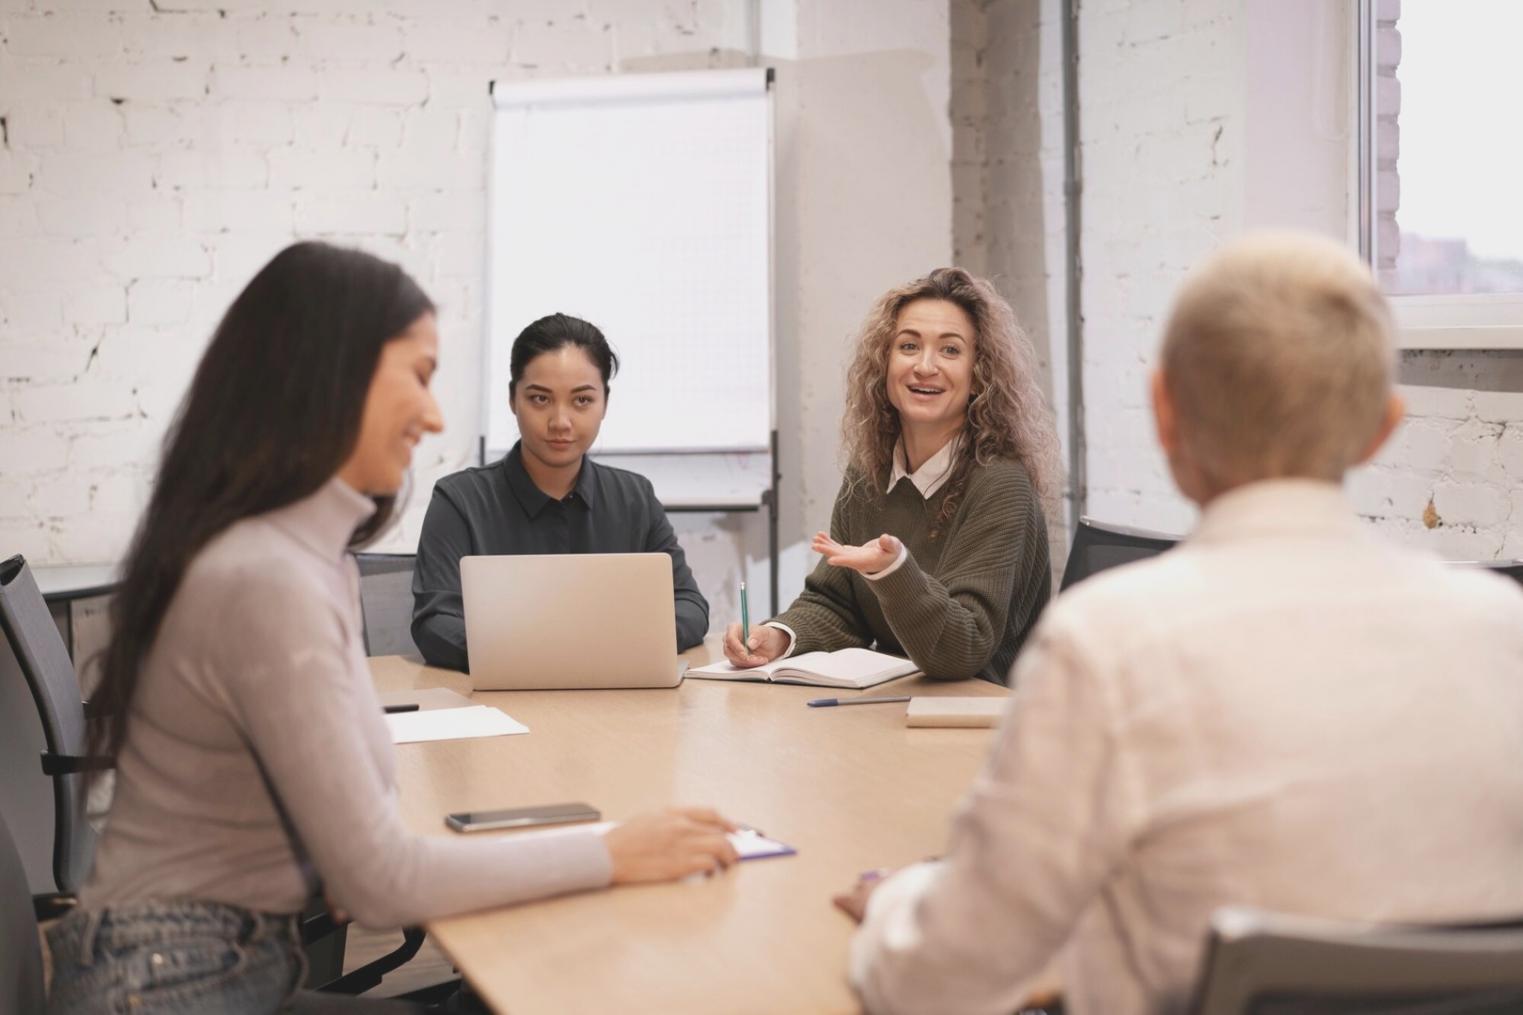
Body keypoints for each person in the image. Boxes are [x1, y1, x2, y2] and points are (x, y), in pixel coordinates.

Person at [838, 232, 1523, 1014]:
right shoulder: (1505, 631)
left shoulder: (1107, 642)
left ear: (1164, 415)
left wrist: (903, 899)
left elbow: (939, 977)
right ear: (1382, 426)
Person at [46, 243, 738, 1014]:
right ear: (328, 380)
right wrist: (612, 850)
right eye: (416, 376)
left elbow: (355, 859)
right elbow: (380, 884)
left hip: (221, 963)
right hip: (168, 984)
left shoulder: (307, 557)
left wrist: (333, 859)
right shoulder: (268, 575)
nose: (435, 413)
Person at [724, 267, 1060, 684]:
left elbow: (962, 650)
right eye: (908, 346)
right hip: (898, 706)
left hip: (980, 720)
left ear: (979, 375)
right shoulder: (869, 471)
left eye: (951, 351)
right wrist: (776, 636)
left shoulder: (1000, 483)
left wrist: (893, 570)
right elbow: (837, 604)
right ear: (885, 364)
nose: (925, 366)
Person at [411, 313, 709, 672]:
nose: (560, 422)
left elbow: (689, 604)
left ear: (605, 404)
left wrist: (614, 645)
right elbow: (435, 623)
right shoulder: (460, 500)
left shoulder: (634, 497)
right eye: (540, 399)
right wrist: (541, 653)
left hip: (616, 704)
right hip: (502, 698)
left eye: (582, 401)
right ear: (512, 399)